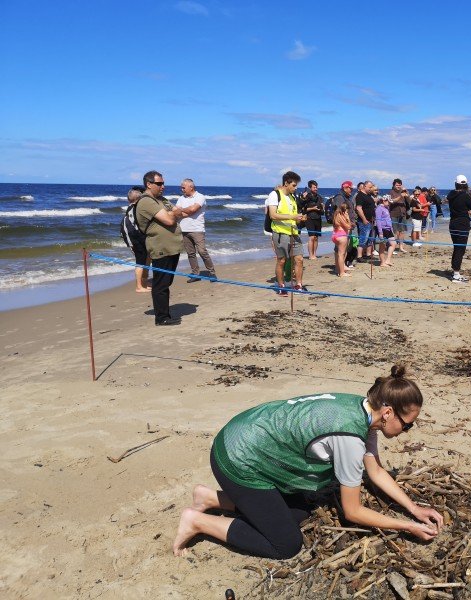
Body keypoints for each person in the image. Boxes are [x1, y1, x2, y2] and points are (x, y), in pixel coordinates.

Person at [172, 365, 444, 558]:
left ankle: (209, 498)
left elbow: (375, 471)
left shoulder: (363, 410)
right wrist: (407, 526)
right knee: (286, 544)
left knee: (299, 510)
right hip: (237, 458)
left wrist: (414, 509)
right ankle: (197, 521)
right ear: (388, 413)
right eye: (408, 425)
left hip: (246, 434)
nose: (408, 430)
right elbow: (353, 511)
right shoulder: (350, 437)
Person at [136, 171, 184, 326]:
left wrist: (173, 213)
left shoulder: (161, 199)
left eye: (163, 183)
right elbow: (170, 220)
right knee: (161, 283)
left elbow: (179, 212)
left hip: (172, 247)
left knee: (166, 282)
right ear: (149, 184)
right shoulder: (146, 201)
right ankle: (162, 317)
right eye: (159, 184)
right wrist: (173, 213)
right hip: (160, 247)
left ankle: (165, 314)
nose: (163, 186)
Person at [265, 171, 306, 296]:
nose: (296, 188)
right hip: (280, 233)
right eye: (294, 185)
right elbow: (272, 215)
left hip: (294, 233)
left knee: (299, 259)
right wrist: (292, 216)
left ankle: (298, 285)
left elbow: (293, 215)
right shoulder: (274, 194)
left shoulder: (293, 197)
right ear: (286, 183)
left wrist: (300, 218)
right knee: (281, 260)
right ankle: (281, 285)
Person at [176, 178, 217, 283]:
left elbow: (193, 209)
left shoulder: (200, 197)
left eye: (183, 187)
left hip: (197, 229)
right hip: (184, 229)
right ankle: (195, 274)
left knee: (202, 251)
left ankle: (212, 272)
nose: (182, 189)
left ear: (191, 187)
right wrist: (186, 211)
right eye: (181, 187)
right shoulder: (181, 198)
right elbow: (177, 212)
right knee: (190, 253)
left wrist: (184, 210)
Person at [447, 175, 471, 283]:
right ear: (466, 185)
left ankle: (455, 270)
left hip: (453, 223)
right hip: (462, 224)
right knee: (460, 249)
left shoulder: (451, 194)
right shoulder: (465, 196)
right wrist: (469, 212)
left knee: (457, 247)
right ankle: (456, 274)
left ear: (456, 183)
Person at [122, 185, 151, 293]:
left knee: (147, 259)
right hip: (134, 237)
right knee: (140, 261)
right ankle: (139, 286)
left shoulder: (132, 207)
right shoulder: (135, 208)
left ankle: (144, 282)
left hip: (137, 236)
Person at [333, 181, 359, 267]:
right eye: (350, 188)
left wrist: (352, 222)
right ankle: (340, 267)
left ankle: (342, 265)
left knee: (346, 247)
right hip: (342, 228)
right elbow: (340, 214)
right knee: (340, 249)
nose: (352, 190)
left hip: (348, 226)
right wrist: (348, 224)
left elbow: (350, 211)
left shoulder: (347, 197)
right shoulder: (340, 197)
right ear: (345, 188)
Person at [301, 180, 325, 260]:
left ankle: (314, 254)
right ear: (310, 188)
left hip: (318, 218)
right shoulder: (306, 196)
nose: (316, 189)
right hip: (309, 218)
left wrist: (322, 208)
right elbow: (303, 209)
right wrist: (312, 208)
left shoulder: (319, 197)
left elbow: (322, 210)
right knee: (311, 237)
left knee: (316, 237)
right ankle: (311, 255)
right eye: (314, 187)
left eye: (316, 187)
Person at [354, 181, 377, 261]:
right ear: (364, 186)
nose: (371, 189)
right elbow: (358, 208)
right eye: (369, 187)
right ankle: (359, 256)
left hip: (372, 220)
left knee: (370, 239)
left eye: (371, 187)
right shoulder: (360, 195)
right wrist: (364, 219)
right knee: (363, 238)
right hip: (364, 221)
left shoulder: (369, 195)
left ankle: (368, 254)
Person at [388, 178, 410, 253]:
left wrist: (407, 193)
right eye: (397, 185)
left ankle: (401, 247)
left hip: (402, 213)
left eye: (400, 185)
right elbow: (392, 201)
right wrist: (401, 196)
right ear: (394, 185)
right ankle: (392, 246)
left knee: (402, 231)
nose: (398, 186)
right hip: (394, 213)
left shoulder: (403, 191)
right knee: (395, 231)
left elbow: (409, 202)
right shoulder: (391, 192)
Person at [375, 195, 396, 267]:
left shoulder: (386, 208)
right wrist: (380, 232)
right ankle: (382, 262)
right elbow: (378, 221)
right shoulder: (379, 208)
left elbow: (388, 219)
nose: (390, 203)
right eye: (388, 202)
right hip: (382, 229)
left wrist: (391, 229)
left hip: (388, 228)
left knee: (393, 244)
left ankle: (388, 260)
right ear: (384, 201)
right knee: (382, 246)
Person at [332, 203, 351, 277]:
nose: (347, 212)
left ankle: (339, 269)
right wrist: (348, 218)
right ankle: (342, 272)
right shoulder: (341, 216)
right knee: (341, 254)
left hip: (335, 235)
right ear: (345, 210)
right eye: (347, 211)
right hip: (341, 235)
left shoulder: (336, 215)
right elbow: (348, 226)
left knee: (339, 253)